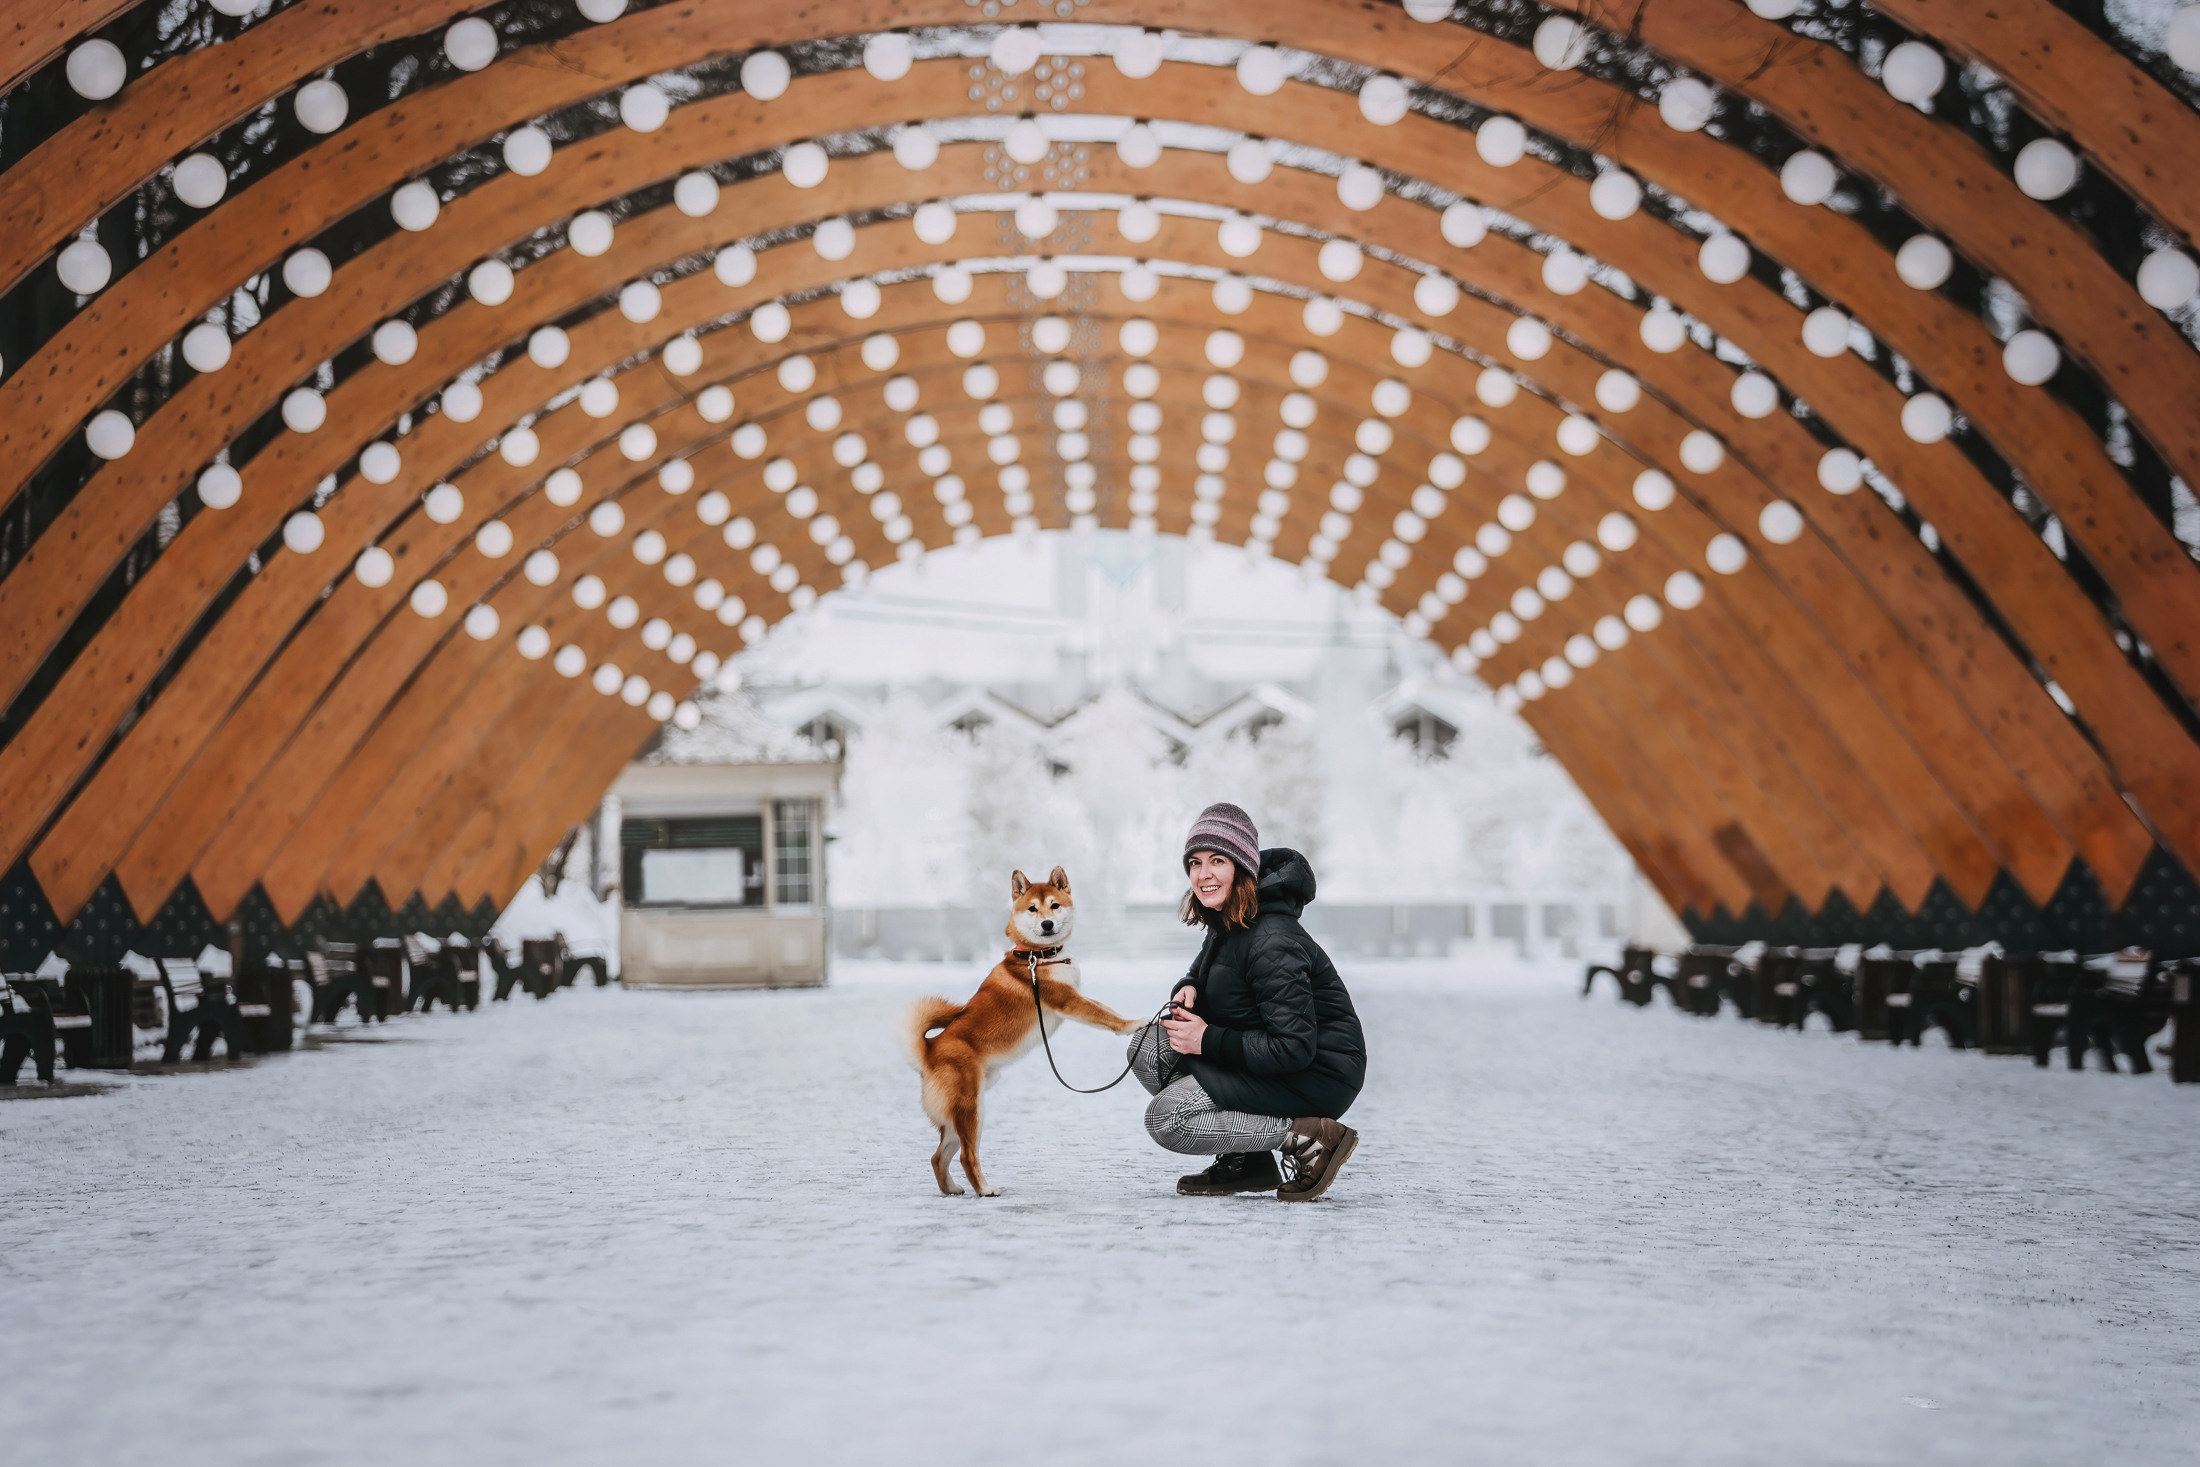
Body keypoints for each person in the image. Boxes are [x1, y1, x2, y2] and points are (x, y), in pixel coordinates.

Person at [1123, 802, 1366, 1201]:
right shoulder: (1232, 919)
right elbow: (1207, 969)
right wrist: (1190, 986)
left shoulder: (1273, 939)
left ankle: (1310, 1138)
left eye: (1217, 860)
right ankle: (1247, 1159)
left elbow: (1294, 1048)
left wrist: (1207, 1040)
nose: (1203, 874)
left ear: (1242, 866)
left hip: (1317, 1073)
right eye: (1195, 862)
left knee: (1169, 1119)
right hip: (1267, 1055)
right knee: (1147, 1049)